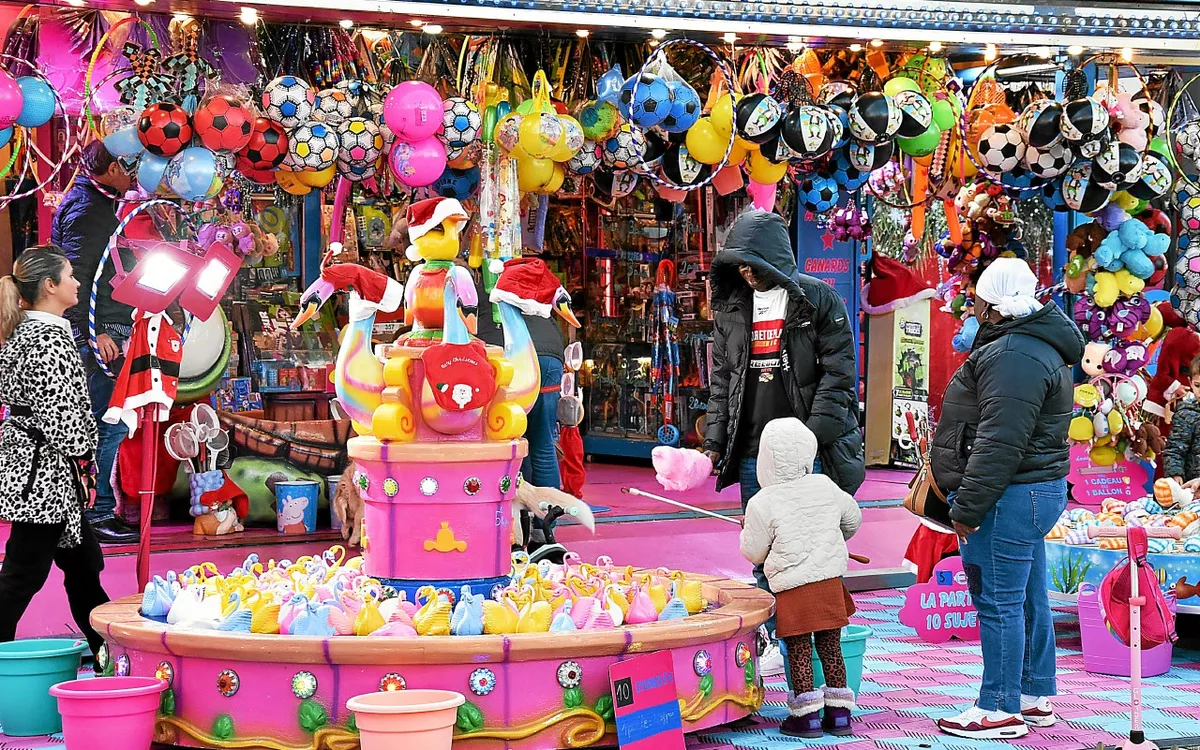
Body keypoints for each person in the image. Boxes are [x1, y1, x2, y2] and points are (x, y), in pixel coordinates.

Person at [704, 208, 865, 674]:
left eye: (753, 262)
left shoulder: (818, 301)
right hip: (753, 448)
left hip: (805, 455)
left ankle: (814, 646)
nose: (746, 272)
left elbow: (838, 378)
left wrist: (810, 442)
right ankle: (776, 641)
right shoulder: (732, 307)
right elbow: (725, 379)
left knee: (810, 557)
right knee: (763, 549)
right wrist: (715, 442)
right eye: (738, 264)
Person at [930, 257, 1083, 740]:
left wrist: (968, 507)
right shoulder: (1030, 344)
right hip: (1029, 491)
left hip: (1009, 495)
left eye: (976, 295)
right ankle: (1034, 695)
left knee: (998, 599)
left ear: (991, 301)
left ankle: (999, 707)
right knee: (1026, 596)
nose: (970, 303)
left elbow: (999, 441)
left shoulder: (1013, 353)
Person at [0, 246, 110, 660]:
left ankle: (106, 652)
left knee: (83, 570)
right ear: (49, 286)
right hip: (47, 477)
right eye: (69, 276)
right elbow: (63, 419)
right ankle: (106, 653)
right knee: (22, 575)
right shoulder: (48, 339)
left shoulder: (24, 332)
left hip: (41, 472)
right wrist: (86, 460)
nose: (78, 283)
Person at [740, 417, 861, 738]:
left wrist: (747, 530)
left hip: (793, 590)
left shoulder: (761, 502)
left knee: (799, 652)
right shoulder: (825, 485)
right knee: (831, 648)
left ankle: (805, 717)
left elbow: (754, 552)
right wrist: (834, 538)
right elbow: (852, 519)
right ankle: (839, 715)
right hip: (829, 584)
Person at [51, 140, 137, 544]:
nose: (133, 173)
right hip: (102, 333)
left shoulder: (90, 201)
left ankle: (92, 509)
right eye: (127, 165)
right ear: (113, 168)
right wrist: (91, 331)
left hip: (103, 327)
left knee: (106, 423)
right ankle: (97, 511)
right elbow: (76, 278)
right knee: (108, 423)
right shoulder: (89, 211)